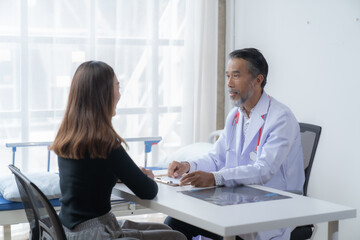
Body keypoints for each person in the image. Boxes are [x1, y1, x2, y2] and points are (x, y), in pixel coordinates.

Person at [165, 48, 305, 240]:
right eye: (228, 76)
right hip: (236, 202)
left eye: (236, 76)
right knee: (174, 224)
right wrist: (188, 166)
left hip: (270, 209)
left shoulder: (281, 118)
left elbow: (264, 170)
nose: (229, 83)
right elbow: (217, 157)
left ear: (258, 79)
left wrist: (216, 178)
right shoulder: (236, 115)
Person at [50, 61, 186, 240]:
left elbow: (90, 174)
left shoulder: (68, 137)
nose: (119, 95)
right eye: (117, 87)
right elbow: (148, 191)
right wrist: (146, 177)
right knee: (178, 238)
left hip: (69, 230)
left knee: (171, 232)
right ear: (103, 94)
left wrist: (119, 174)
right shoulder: (104, 143)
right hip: (96, 233)